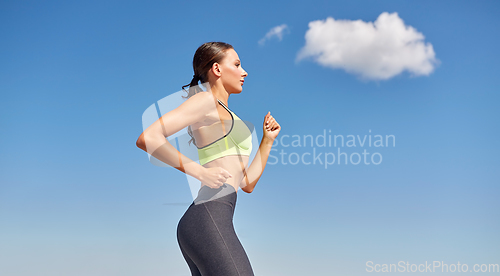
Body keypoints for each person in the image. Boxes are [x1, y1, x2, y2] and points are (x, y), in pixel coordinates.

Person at [136, 41, 280, 276]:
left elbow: (247, 183)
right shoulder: (205, 100)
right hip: (208, 217)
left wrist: (268, 141)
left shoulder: (228, 113)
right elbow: (148, 137)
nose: (244, 72)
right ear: (217, 69)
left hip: (212, 218)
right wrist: (200, 172)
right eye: (237, 64)